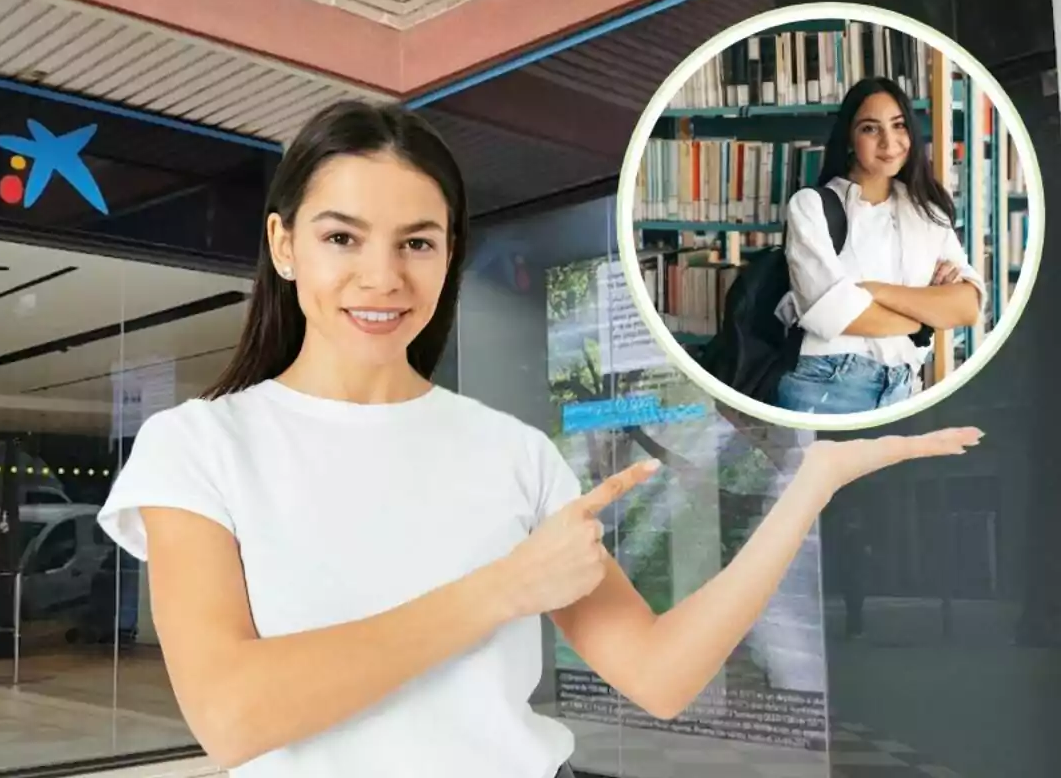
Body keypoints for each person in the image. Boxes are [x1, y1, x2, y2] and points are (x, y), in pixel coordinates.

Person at [95, 99, 982, 778]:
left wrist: (812, 483)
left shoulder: (513, 453)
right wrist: (498, 592)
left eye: (417, 242)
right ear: (284, 246)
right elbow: (232, 713)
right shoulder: (199, 446)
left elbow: (660, 676)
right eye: (341, 237)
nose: (381, 276)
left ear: (448, 256)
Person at [774, 76, 986, 414]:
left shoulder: (927, 211)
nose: (889, 142)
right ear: (849, 138)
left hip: (904, 387)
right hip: (826, 385)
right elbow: (830, 313)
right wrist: (925, 317)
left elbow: (967, 307)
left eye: (898, 125)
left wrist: (875, 291)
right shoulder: (811, 205)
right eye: (870, 129)